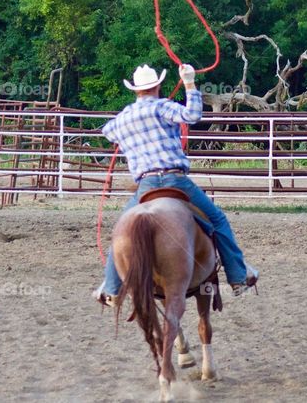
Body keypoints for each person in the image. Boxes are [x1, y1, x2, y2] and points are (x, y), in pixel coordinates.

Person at [93, 63, 259, 307]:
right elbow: (193, 115)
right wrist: (189, 82)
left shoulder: (123, 118)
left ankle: (112, 288)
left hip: (146, 186)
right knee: (218, 220)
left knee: (121, 231)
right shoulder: (163, 108)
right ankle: (237, 276)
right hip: (176, 181)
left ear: (135, 90)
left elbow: (107, 132)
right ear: (158, 86)